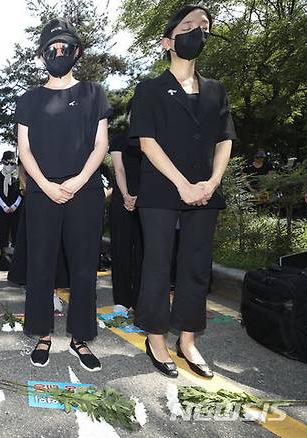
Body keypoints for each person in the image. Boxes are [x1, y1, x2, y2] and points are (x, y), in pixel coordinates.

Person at [129, 5, 236, 379]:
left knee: (196, 267)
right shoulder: (150, 89)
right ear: (167, 41)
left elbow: (225, 140)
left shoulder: (215, 90)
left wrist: (211, 182)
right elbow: (146, 142)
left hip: (206, 191)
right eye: (188, 26)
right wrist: (183, 185)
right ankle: (156, 339)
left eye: (204, 27)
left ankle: (188, 341)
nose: (197, 32)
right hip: (162, 190)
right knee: (158, 266)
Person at [16, 18, 111, 371]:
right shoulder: (29, 99)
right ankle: (42, 333)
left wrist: (78, 180)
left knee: (85, 267)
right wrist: (45, 184)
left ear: (77, 52)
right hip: (43, 191)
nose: (58, 53)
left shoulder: (94, 93)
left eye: (64, 47)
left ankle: (80, 337)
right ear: (42, 55)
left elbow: (101, 144)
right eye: (51, 48)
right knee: (40, 264)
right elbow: (24, 149)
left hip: (84, 190)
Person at [108, 104, 143, 311]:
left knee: (143, 252)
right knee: (120, 250)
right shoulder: (119, 139)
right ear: (128, 116)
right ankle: (121, 300)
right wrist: (127, 195)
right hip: (122, 200)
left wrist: (140, 197)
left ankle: (140, 301)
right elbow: (119, 169)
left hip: (147, 202)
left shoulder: (152, 141)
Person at [0, 150, 22, 268]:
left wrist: (14, 206)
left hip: (16, 210)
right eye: (6, 163)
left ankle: (16, 264)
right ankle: (4, 261)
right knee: (3, 236)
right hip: (2, 210)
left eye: (11, 164)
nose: (9, 166)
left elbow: (21, 192)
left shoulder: (18, 176)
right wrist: (4, 206)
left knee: (16, 236)